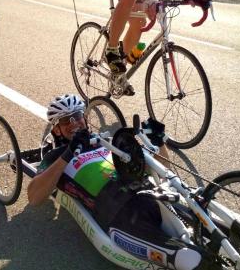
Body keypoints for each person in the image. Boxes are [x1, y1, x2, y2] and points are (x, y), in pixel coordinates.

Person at [27, 94, 220, 270]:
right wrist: (69, 153)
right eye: (65, 120)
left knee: (213, 225)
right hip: (120, 215)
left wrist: (159, 142)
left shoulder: (106, 142)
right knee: (190, 259)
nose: (74, 122)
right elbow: (34, 197)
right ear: (57, 129)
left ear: (85, 118)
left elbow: (158, 166)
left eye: (77, 116)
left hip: (152, 195)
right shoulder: (55, 157)